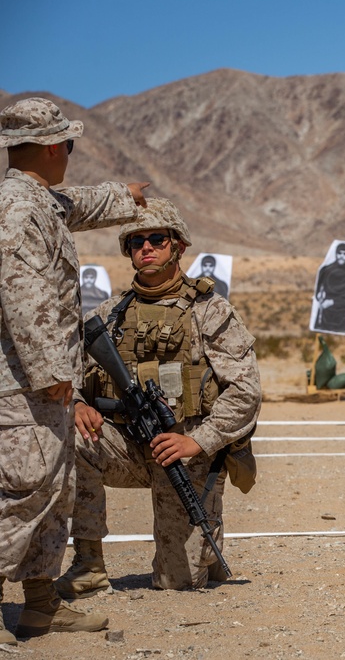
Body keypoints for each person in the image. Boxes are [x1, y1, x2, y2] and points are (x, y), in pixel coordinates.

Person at [55, 199, 261, 598]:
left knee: (176, 583)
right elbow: (70, 376)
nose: (145, 248)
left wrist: (198, 440)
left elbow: (246, 392)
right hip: (128, 448)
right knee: (69, 439)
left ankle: (206, 541)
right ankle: (89, 565)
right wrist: (79, 404)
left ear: (178, 246)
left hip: (187, 455)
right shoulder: (110, 316)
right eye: (135, 242)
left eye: (156, 239)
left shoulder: (210, 311)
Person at [0, 97, 148, 641]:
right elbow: (21, 294)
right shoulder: (17, 209)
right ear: (52, 146)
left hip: (43, 388)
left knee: (53, 490)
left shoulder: (41, 200)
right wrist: (51, 368)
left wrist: (124, 198)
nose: (70, 152)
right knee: (22, 491)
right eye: (68, 143)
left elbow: (76, 204)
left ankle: (41, 601)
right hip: (22, 386)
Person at [313, 243, 345, 333]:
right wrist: (319, 294)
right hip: (324, 317)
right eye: (339, 253)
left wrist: (333, 302)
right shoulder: (325, 270)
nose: (341, 256)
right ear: (336, 253)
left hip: (343, 318)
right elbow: (318, 290)